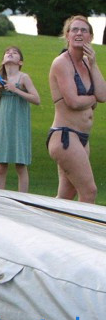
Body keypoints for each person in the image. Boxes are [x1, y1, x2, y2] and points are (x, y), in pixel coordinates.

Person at [47, 16, 105, 203]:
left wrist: (94, 63)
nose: (79, 33)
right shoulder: (61, 63)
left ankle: (47, 229)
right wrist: (92, 98)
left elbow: (103, 96)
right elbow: (72, 101)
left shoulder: (87, 64)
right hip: (65, 136)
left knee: (65, 197)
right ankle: (82, 232)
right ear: (67, 35)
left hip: (81, 138)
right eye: (74, 30)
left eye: (84, 30)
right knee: (89, 192)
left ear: (90, 37)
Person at [0, 46, 40, 192]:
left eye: (14, 53)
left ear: (20, 62)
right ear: (3, 61)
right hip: (4, 125)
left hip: (19, 125)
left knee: (20, 165)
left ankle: (23, 199)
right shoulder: (2, 79)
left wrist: (16, 90)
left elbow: (36, 99)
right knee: (1, 165)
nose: (10, 54)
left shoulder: (23, 77)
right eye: (7, 52)